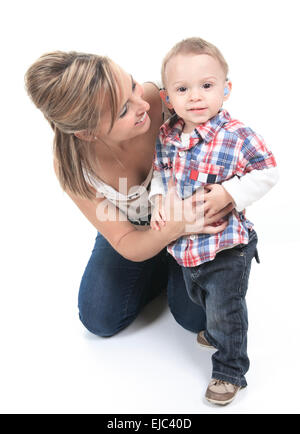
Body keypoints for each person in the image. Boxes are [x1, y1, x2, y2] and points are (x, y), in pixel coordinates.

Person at [149, 37, 279, 405]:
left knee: (226, 306)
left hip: (227, 245)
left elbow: (267, 172)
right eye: (182, 89)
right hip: (187, 244)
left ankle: (229, 369)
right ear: (168, 99)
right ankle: (216, 328)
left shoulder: (236, 136)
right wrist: (158, 197)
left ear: (226, 89)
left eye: (206, 86)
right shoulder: (167, 136)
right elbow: (160, 173)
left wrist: (230, 194)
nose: (195, 97)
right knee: (198, 294)